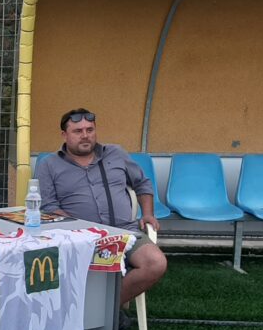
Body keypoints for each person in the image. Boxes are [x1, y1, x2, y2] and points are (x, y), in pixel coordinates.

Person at [35, 108, 167, 308]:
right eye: (78, 131)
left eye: (90, 130)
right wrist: (81, 230)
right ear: (64, 135)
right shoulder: (48, 165)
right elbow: (48, 207)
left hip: (125, 233)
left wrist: (148, 214)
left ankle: (104, 311)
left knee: (155, 263)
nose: (85, 135)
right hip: (78, 238)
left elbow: (142, 184)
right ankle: (101, 314)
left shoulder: (116, 154)